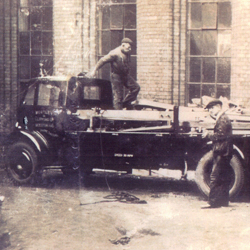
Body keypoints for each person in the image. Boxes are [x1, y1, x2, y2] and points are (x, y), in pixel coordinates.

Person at [88, 38, 140, 110]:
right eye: (128, 47)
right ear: (123, 45)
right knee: (118, 97)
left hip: (125, 75)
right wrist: (94, 70)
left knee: (136, 87)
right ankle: (118, 116)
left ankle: (125, 104)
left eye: (130, 47)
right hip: (116, 76)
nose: (130, 49)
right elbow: (102, 60)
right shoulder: (114, 53)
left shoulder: (126, 51)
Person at [202, 99, 233, 208]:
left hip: (221, 151)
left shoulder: (222, 119)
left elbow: (221, 135)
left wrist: (207, 134)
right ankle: (223, 202)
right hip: (225, 151)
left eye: (212, 108)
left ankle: (213, 202)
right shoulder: (223, 118)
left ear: (218, 107)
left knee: (215, 177)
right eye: (209, 109)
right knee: (223, 177)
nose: (210, 111)